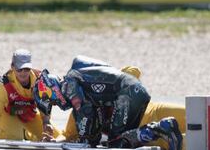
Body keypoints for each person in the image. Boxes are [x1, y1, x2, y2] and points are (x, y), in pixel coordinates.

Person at [34, 55, 183, 150]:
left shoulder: (70, 85)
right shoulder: (82, 85)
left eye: (52, 102)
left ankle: (161, 128)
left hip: (127, 97)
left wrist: (84, 140)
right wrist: (87, 139)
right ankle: (159, 130)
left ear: (52, 91)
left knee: (116, 145)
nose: (57, 105)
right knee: (122, 141)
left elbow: (85, 113)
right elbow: (91, 120)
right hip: (133, 94)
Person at [0, 49, 61, 141]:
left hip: (29, 114)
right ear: (12, 67)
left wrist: (46, 123)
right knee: (15, 138)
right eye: (19, 69)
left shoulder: (39, 81)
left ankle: (26, 134)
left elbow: (44, 108)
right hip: (8, 114)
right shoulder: (5, 84)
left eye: (26, 69)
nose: (23, 73)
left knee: (55, 138)